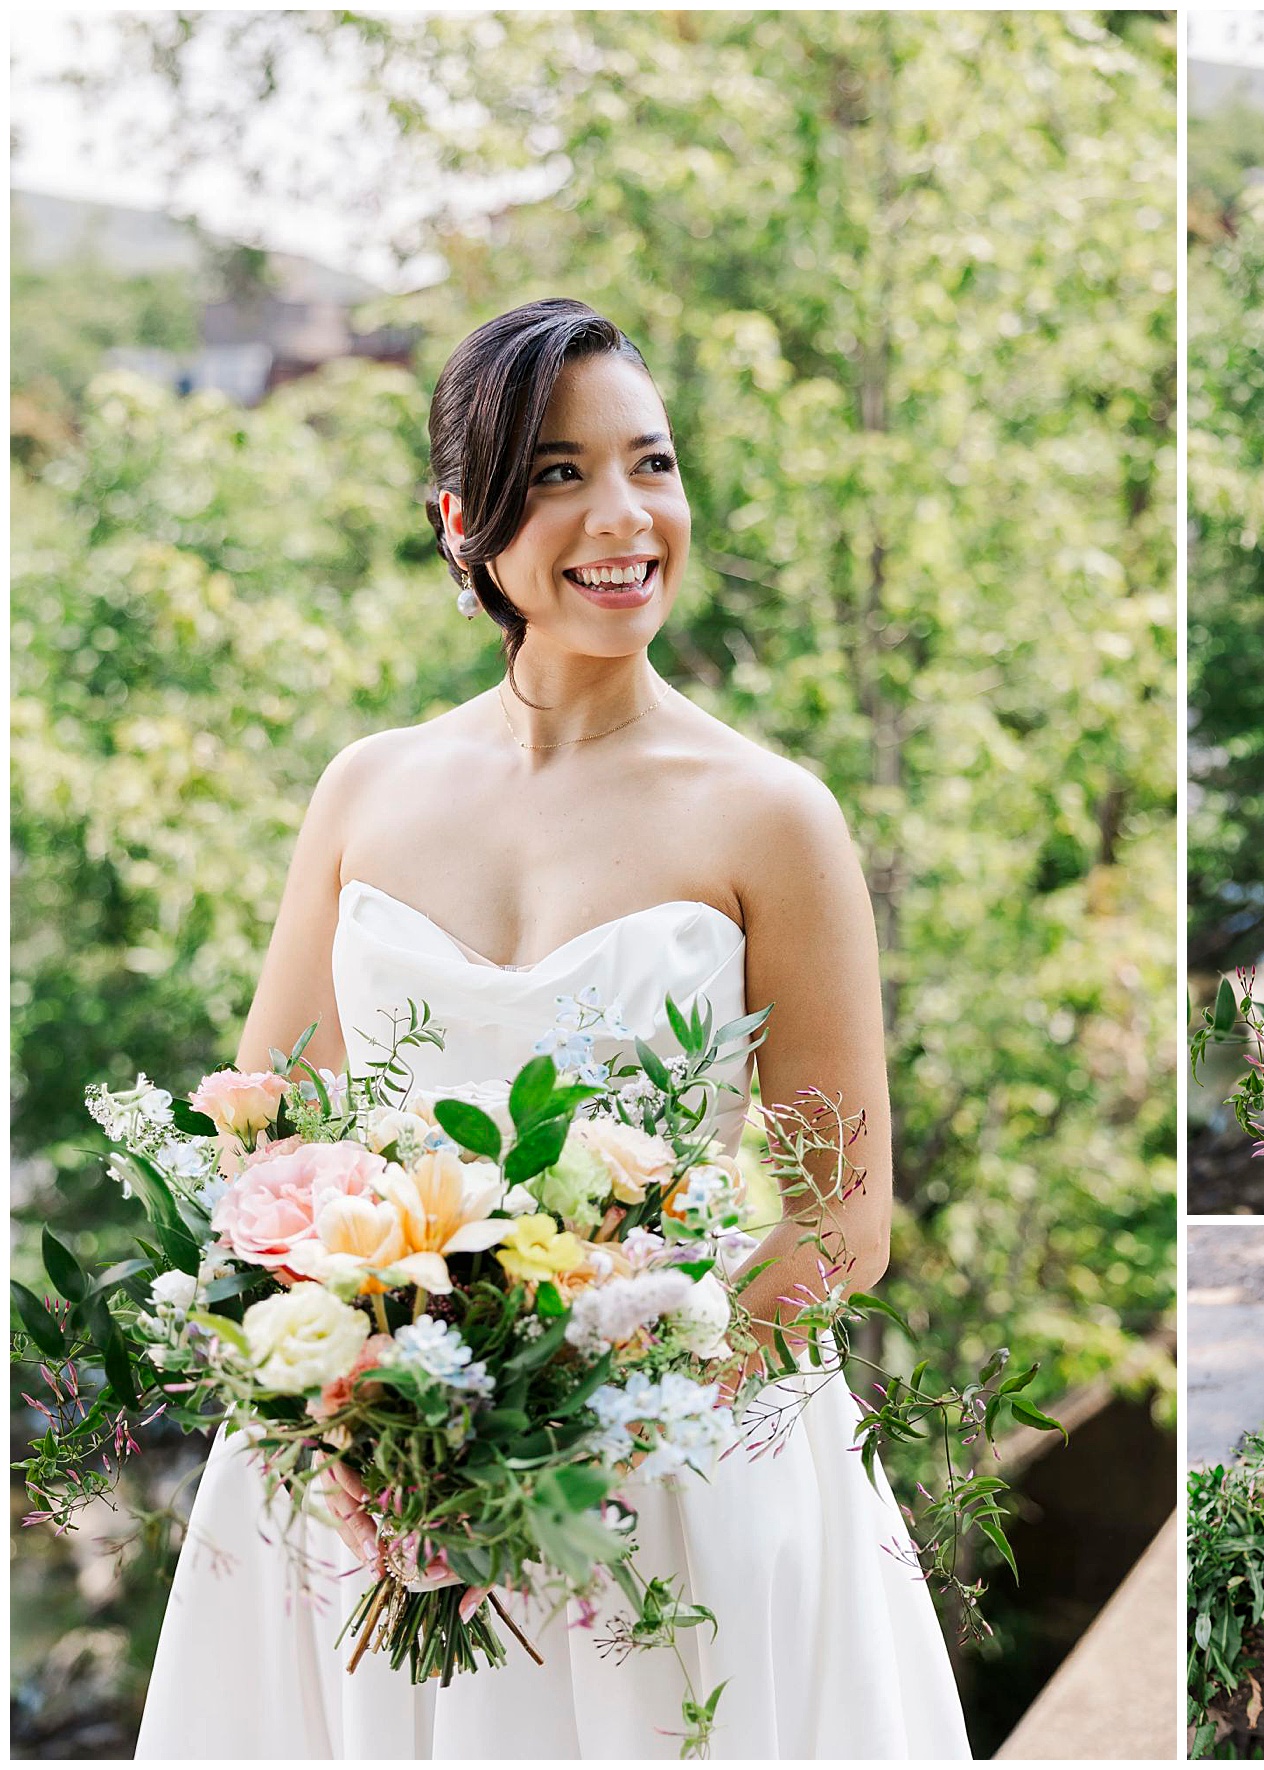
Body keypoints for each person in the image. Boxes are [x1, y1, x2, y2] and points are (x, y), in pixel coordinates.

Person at [136, 298, 972, 1757]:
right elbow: (272, 1147)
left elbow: (842, 1225)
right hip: (382, 1481)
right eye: (558, 475)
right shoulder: (366, 790)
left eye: (650, 462)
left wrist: (570, 1420)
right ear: (464, 521)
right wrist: (394, 1408)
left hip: (679, 1485)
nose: (624, 515)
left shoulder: (770, 814)